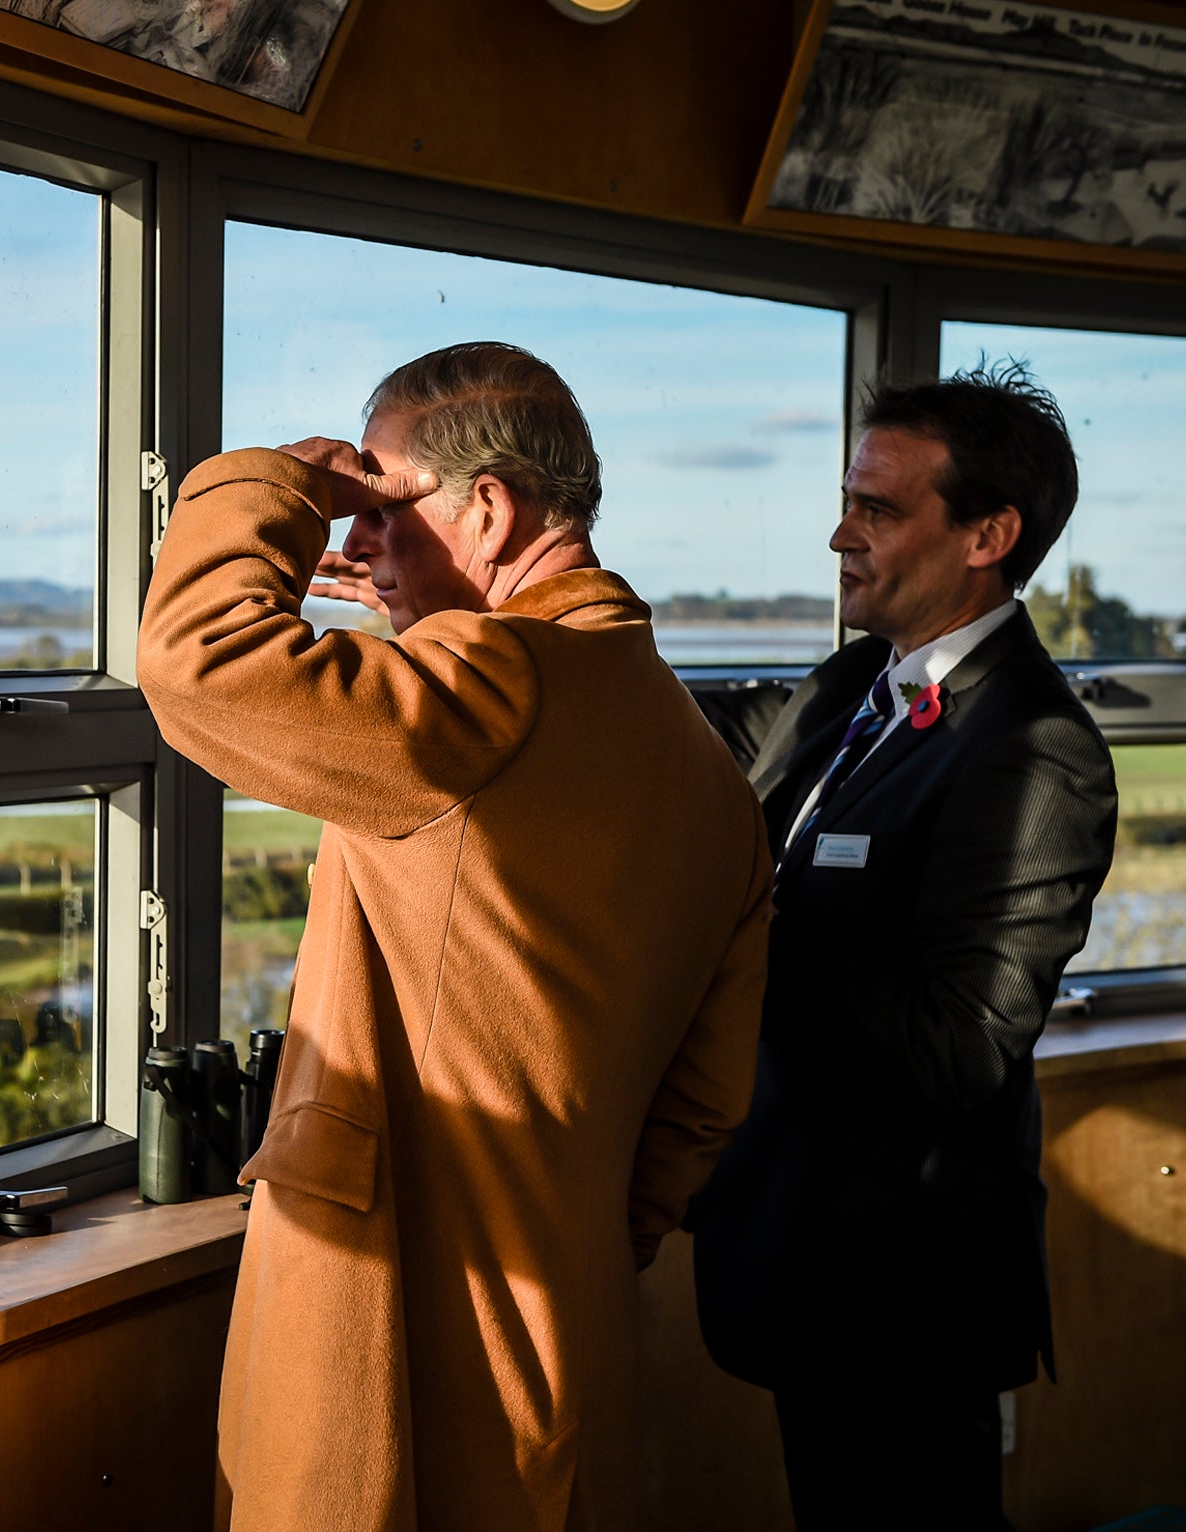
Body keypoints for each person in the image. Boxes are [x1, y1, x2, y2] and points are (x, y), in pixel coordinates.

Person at [137, 341, 773, 1531]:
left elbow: (198, 668)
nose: (355, 540)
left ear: (487, 507)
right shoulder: (705, 769)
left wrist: (275, 484)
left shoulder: (486, 685)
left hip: (392, 1316)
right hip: (569, 1318)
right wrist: (572, 1231)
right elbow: (701, 1109)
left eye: (376, 499)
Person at [688, 363, 1119, 1529]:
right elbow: (672, 721)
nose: (840, 533)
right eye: (848, 500)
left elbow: (958, 1044)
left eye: (877, 509)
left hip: (900, 1290)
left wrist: (736, 930)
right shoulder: (848, 687)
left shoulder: (1034, 749)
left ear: (988, 533)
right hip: (795, 1249)